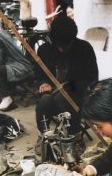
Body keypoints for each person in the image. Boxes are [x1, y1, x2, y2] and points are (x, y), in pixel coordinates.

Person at [35, 15, 98, 152]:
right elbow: (39, 75)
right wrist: (43, 84)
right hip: (51, 94)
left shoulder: (84, 49)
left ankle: (75, 136)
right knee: (44, 101)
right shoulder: (44, 50)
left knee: (63, 97)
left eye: (65, 45)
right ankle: (44, 136)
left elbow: (92, 78)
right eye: (58, 46)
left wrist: (72, 86)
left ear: (73, 39)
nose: (62, 49)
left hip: (77, 95)